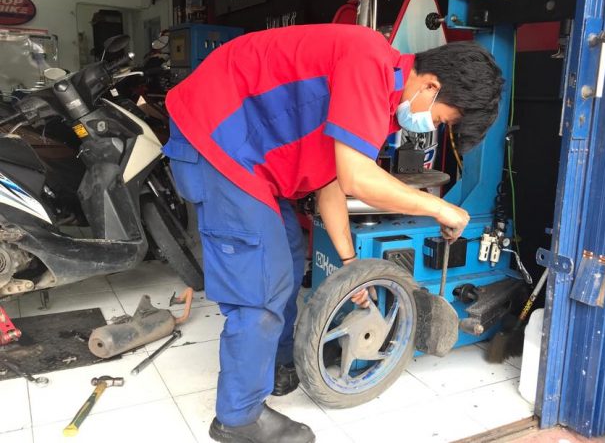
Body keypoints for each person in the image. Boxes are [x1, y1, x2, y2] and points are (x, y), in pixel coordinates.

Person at [164, 23, 503, 443]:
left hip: (249, 160)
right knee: (261, 284)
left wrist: (348, 263)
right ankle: (238, 417)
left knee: (289, 256)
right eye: (439, 118)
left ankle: (277, 363)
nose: (428, 126)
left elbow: (332, 185)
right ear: (431, 86)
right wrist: (440, 208)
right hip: (216, 142)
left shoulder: (381, 101)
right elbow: (358, 178)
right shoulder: (369, 61)